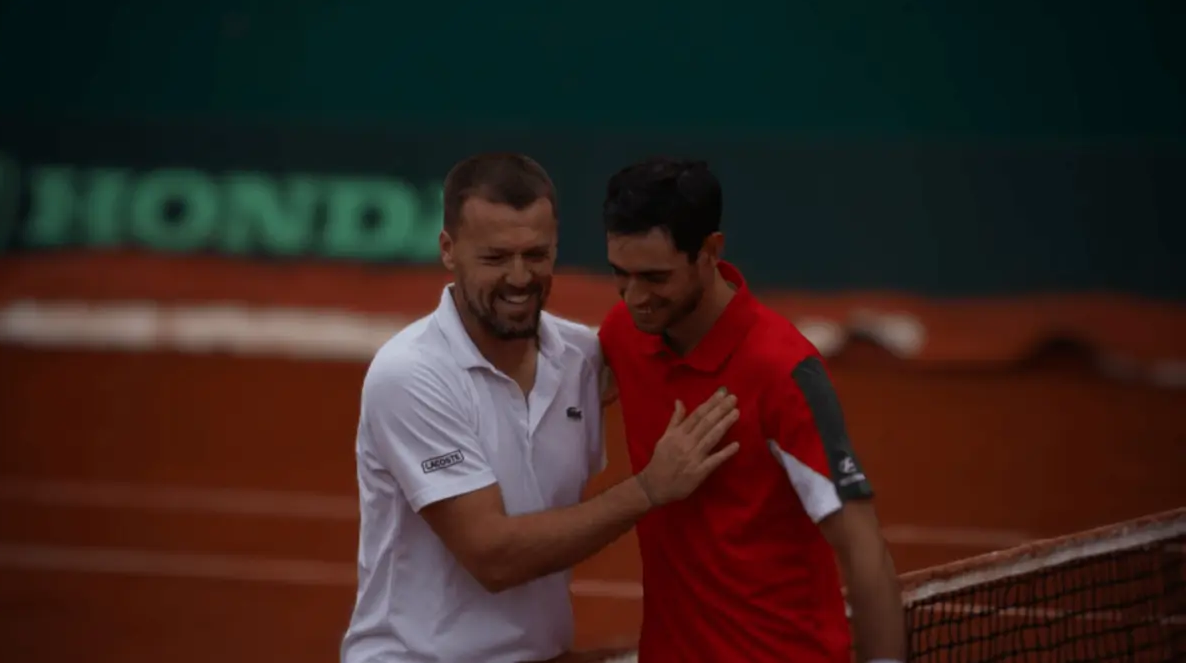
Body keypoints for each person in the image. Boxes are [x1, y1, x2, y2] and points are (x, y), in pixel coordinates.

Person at [340, 152, 742, 663]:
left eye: (536, 254)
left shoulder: (582, 360)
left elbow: (699, 351)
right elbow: (492, 556)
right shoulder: (412, 374)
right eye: (494, 258)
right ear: (448, 250)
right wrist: (647, 490)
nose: (518, 277)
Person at [597, 157, 908, 663]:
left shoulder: (783, 371)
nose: (635, 298)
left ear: (710, 252)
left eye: (655, 277)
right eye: (620, 274)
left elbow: (862, 548)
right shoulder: (624, 333)